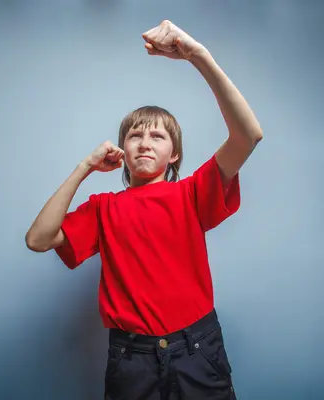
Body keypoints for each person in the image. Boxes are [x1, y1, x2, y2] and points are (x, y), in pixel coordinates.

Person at [26, 20, 263, 400]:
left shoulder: (191, 193)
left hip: (197, 350)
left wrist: (197, 55)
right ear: (122, 151)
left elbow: (249, 135)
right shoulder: (103, 208)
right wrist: (84, 167)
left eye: (158, 135)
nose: (144, 142)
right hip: (131, 359)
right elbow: (38, 239)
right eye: (134, 135)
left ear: (175, 153)